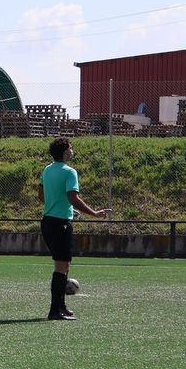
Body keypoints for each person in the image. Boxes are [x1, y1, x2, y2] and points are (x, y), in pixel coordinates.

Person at [40, 137, 110, 320]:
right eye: (71, 147)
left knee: (65, 265)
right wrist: (94, 213)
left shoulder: (47, 170)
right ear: (65, 152)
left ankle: (61, 306)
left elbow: (42, 194)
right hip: (60, 224)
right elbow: (73, 198)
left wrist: (61, 208)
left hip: (48, 221)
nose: (73, 150)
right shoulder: (70, 172)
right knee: (61, 267)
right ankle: (54, 311)